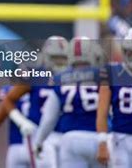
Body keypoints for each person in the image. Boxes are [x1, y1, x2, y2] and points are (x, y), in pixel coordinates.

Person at [0, 36, 68, 168]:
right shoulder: (35, 78)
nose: (58, 62)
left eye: (62, 58)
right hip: (37, 139)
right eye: (55, 58)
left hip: (49, 138)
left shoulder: (67, 78)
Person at [34, 36, 102, 168]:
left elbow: (49, 118)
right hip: (99, 139)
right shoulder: (104, 75)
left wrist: (39, 141)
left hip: (71, 138)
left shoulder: (60, 78)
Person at [96, 27, 132, 167]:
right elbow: (102, 112)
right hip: (120, 139)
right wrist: (102, 143)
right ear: (125, 52)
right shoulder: (112, 72)